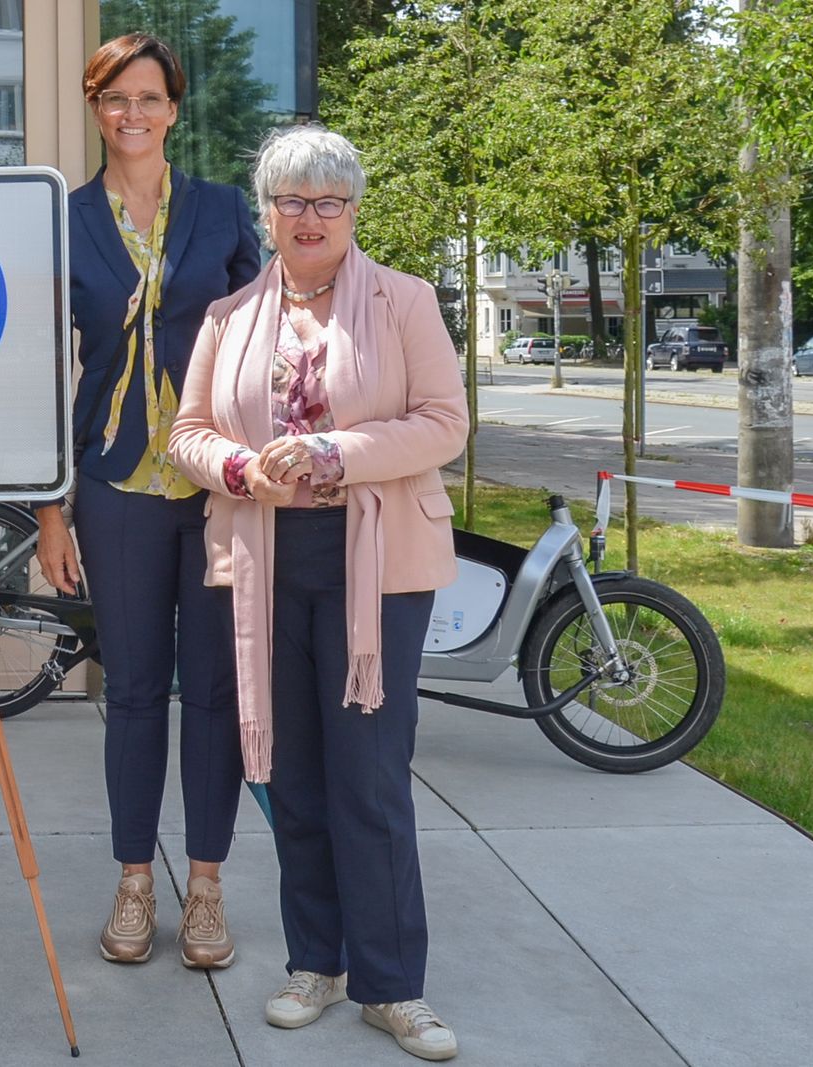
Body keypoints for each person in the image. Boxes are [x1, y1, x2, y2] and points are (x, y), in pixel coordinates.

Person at [170, 124, 469, 1061]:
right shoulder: (228, 318)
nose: (310, 217)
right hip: (265, 565)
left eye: (329, 201)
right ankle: (316, 962)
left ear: (353, 211)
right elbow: (186, 433)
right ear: (265, 212)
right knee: (291, 776)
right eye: (293, 200)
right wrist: (230, 463)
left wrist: (341, 451)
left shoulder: (406, 301)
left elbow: (443, 424)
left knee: (370, 778)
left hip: (374, 569)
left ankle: (392, 986)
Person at [32, 31, 262, 972]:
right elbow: (38, 368)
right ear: (96, 109)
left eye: (151, 98)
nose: (133, 114)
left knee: (213, 692)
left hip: (213, 488)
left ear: (175, 109)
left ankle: (205, 884)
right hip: (114, 485)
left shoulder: (220, 211)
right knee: (131, 694)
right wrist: (51, 507)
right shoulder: (65, 218)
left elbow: (264, 341)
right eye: (115, 98)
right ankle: (134, 877)